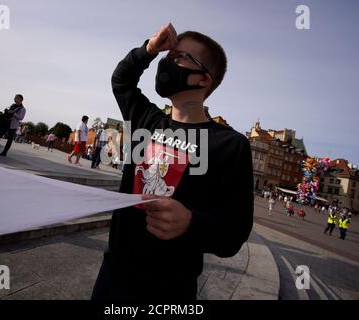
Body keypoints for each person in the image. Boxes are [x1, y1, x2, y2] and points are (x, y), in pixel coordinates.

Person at [92, 23, 253, 301]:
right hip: (114, 275)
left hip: (171, 288)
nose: (168, 63)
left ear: (203, 78)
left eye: (178, 57)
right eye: (168, 57)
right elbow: (122, 81)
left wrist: (192, 222)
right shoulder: (148, 120)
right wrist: (149, 50)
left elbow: (234, 233)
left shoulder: (231, 145)